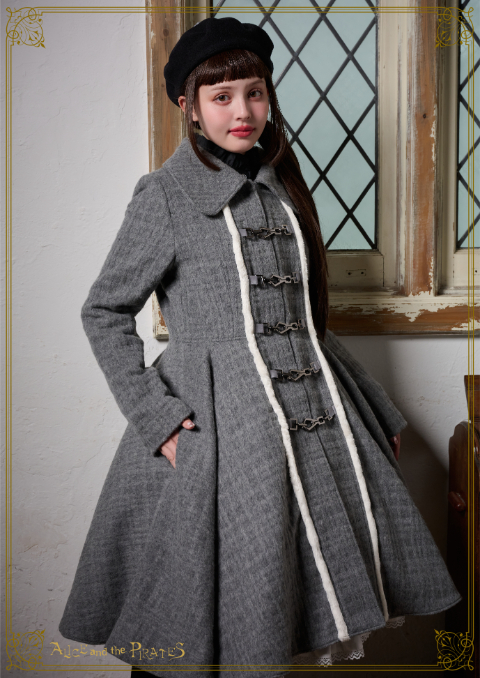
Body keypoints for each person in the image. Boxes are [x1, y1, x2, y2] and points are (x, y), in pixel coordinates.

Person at [58, 17, 461, 678]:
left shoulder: (283, 189)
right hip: (217, 433)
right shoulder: (164, 196)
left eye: (254, 92)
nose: (241, 111)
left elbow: (303, 324)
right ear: (189, 107)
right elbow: (103, 311)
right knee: (185, 616)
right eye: (221, 97)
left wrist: (376, 409)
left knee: (275, 607)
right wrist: (160, 421)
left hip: (309, 427)